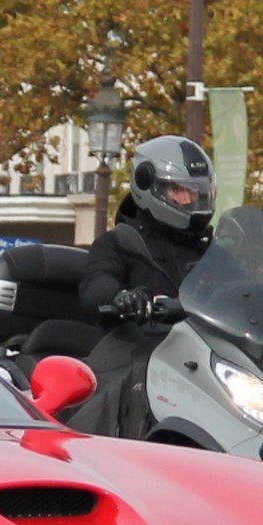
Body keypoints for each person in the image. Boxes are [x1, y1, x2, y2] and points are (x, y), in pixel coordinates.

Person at [69, 135, 215, 437]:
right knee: (99, 414)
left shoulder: (212, 251)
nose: (189, 200)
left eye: (195, 192)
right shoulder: (118, 243)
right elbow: (96, 284)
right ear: (148, 185)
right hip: (137, 356)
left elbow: (243, 288)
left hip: (202, 362)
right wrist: (122, 297)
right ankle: (84, 456)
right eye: (179, 190)